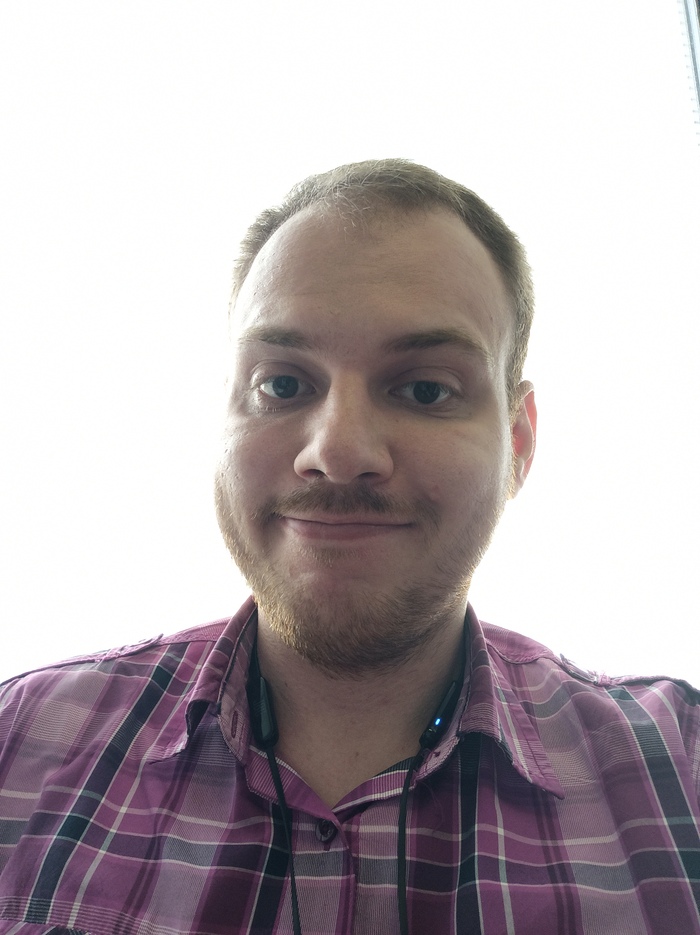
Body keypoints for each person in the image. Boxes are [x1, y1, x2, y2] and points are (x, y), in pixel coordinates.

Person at [0, 159, 698, 935]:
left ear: (519, 443)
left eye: (425, 389)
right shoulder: (17, 743)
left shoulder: (682, 772)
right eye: (283, 384)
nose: (337, 451)